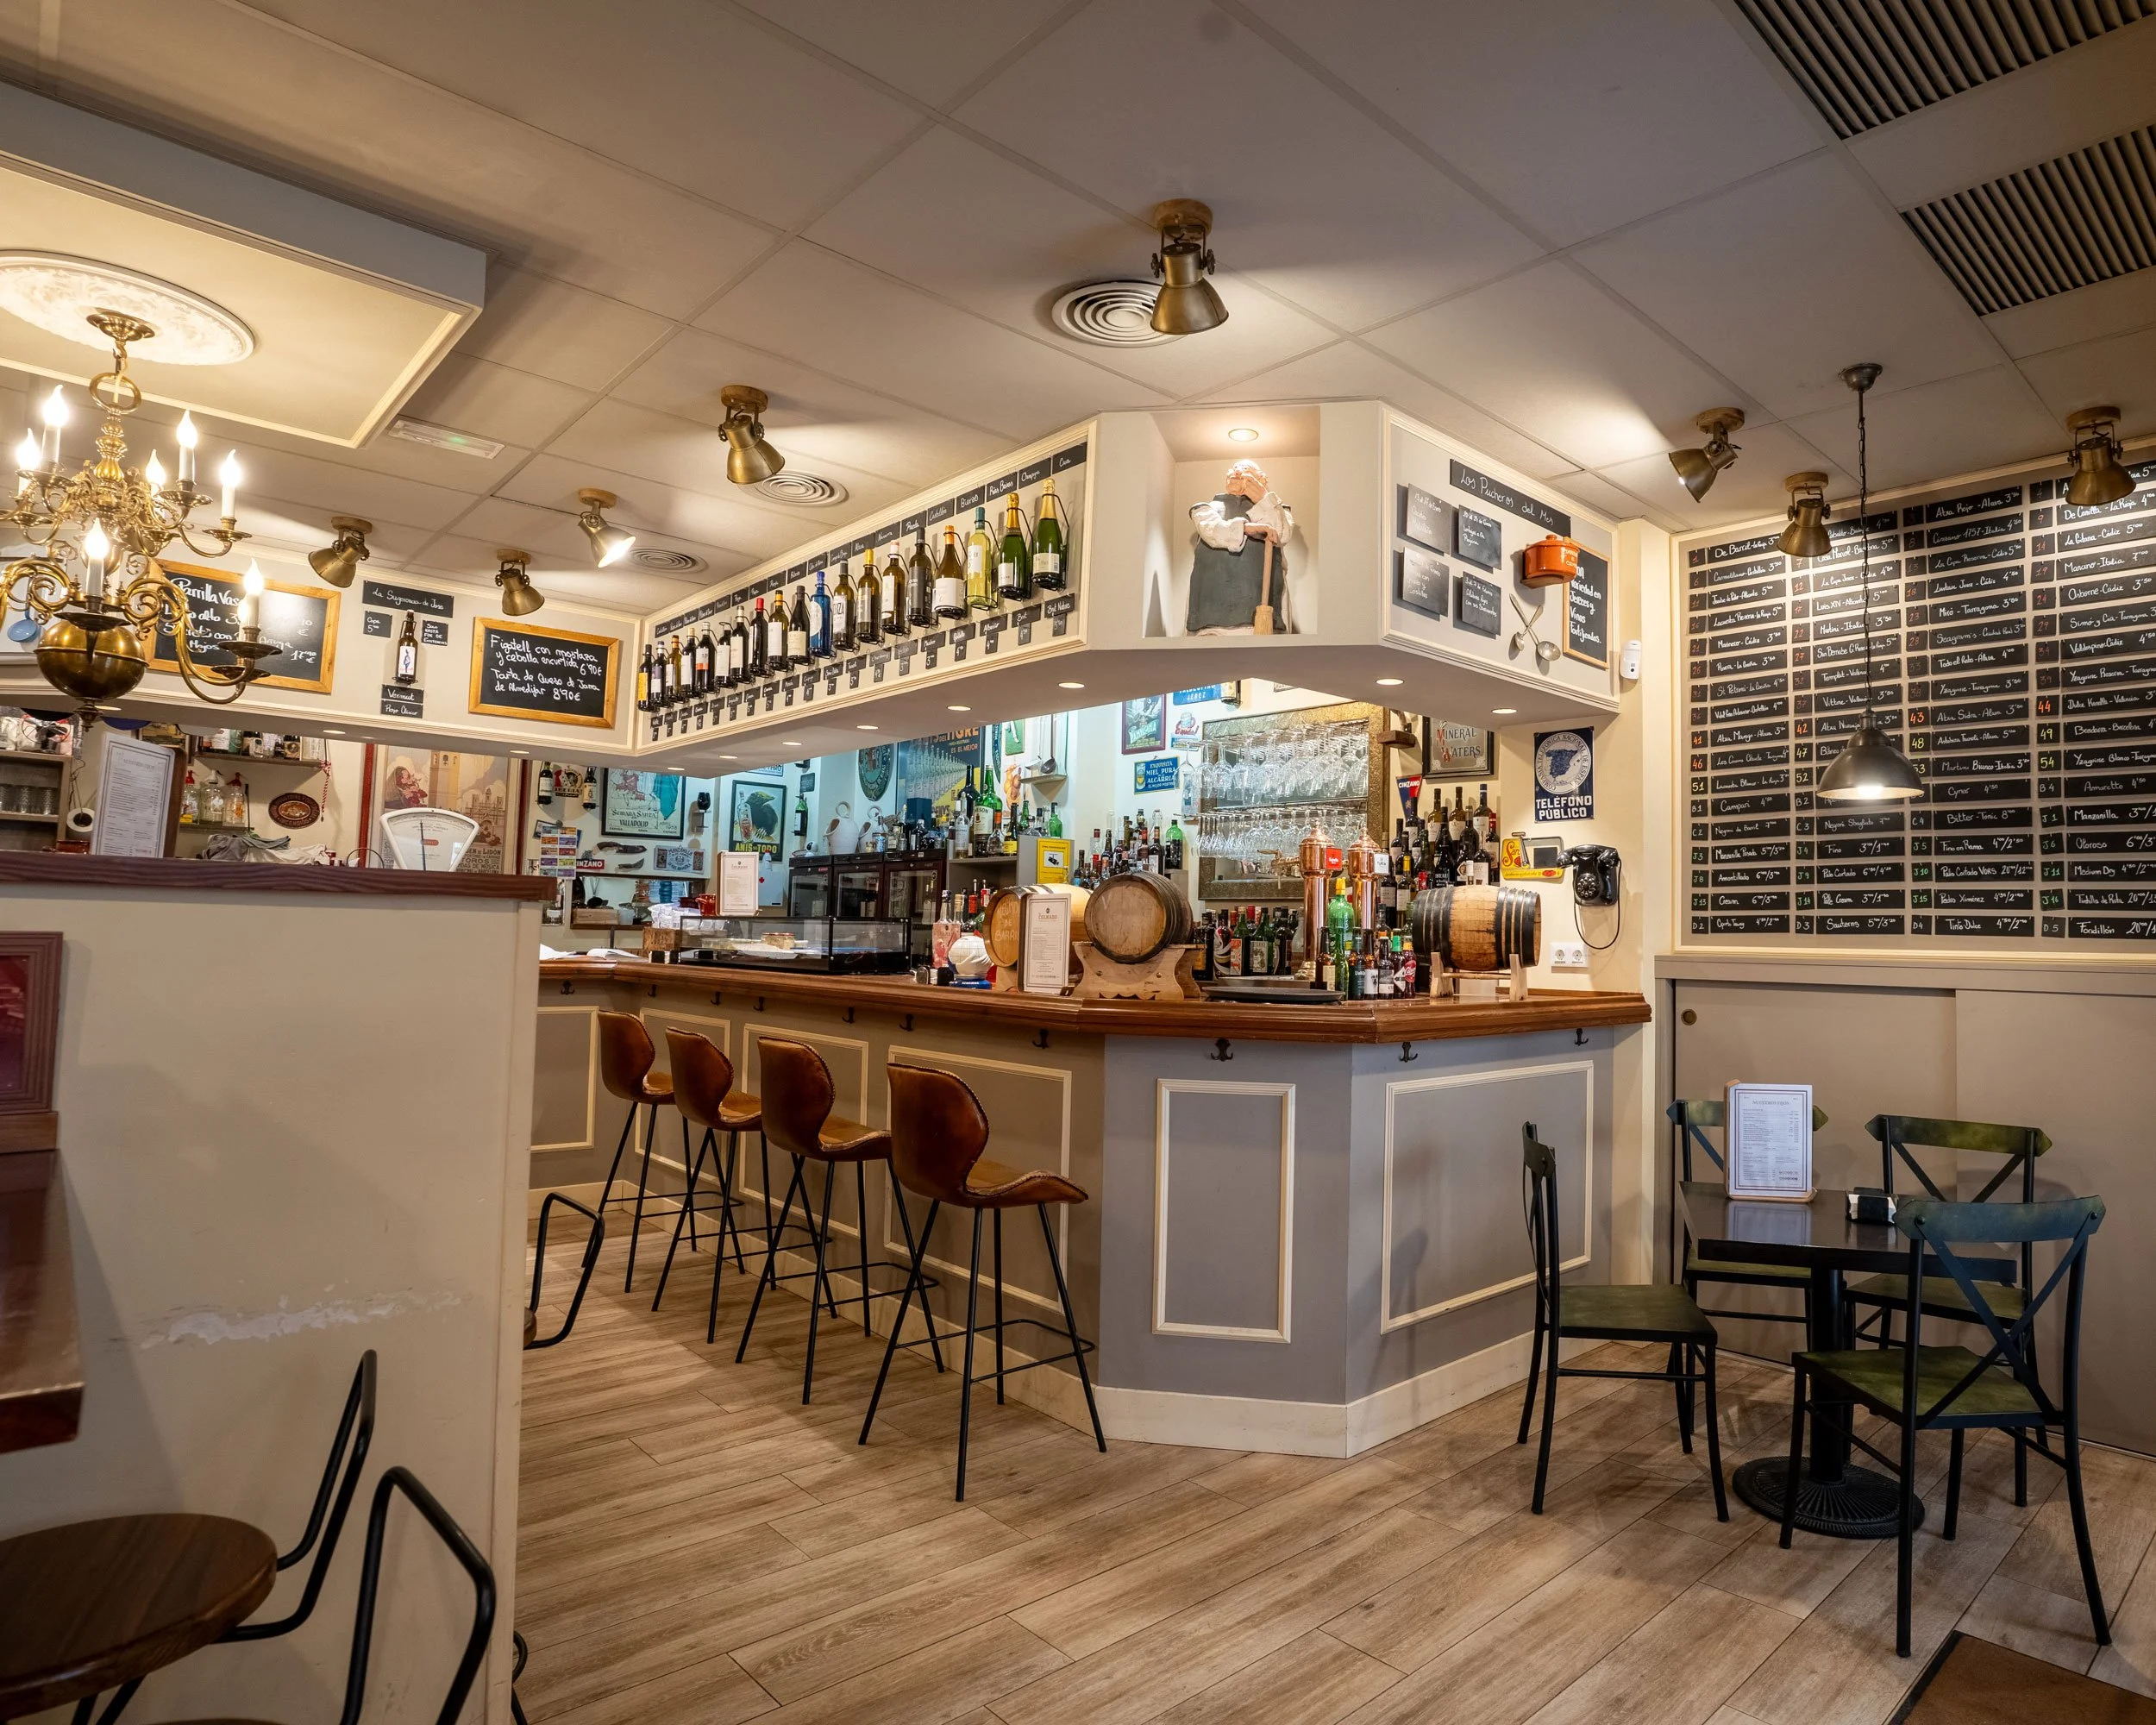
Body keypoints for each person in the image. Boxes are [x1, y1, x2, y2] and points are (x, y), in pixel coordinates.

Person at [1187, 458, 1294, 635]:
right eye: (1233, 469)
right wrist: (1246, 528)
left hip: (1262, 609)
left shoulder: (1277, 510)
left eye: (1245, 470)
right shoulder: (1206, 509)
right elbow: (1212, 530)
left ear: (1262, 479)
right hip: (1212, 606)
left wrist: (1263, 500)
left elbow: (1281, 534)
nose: (1236, 472)